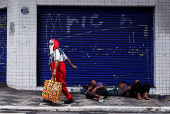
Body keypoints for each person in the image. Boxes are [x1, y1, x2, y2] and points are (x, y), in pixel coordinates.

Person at [49, 39, 77, 104]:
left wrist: (55, 70)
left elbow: (57, 61)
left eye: (50, 44)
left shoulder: (57, 51)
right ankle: (51, 98)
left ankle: (70, 98)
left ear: (54, 44)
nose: (49, 45)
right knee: (55, 83)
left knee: (60, 84)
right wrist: (71, 65)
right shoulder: (58, 51)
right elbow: (66, 58)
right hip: (59, 69)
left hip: (59, 70)